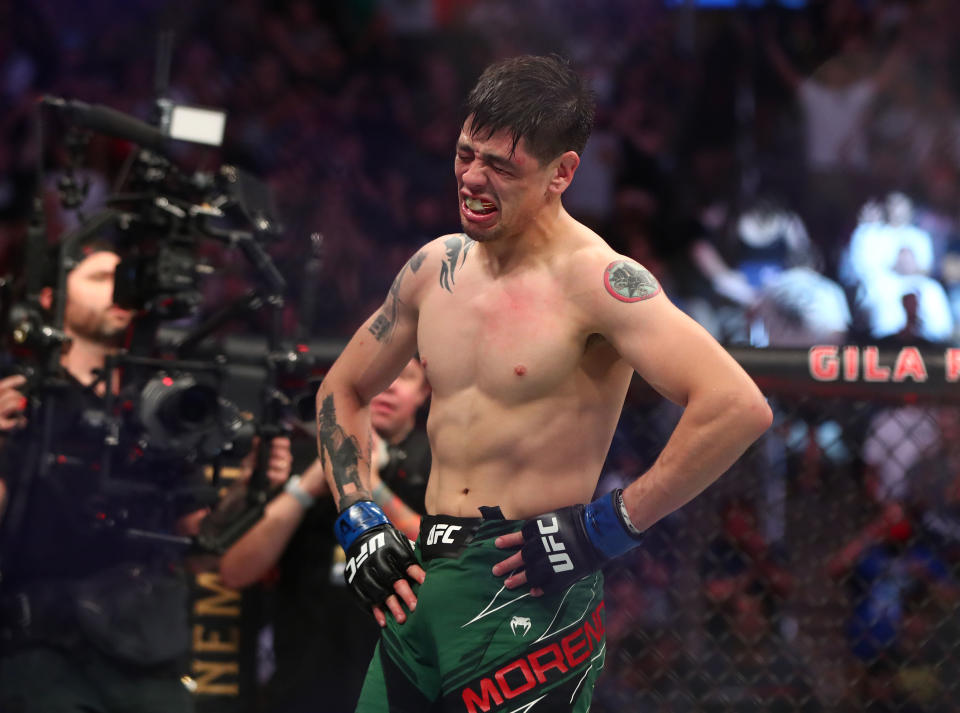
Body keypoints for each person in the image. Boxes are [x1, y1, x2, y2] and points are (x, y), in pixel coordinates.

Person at [314, 54, 772, 712]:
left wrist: (606, 527)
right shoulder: (432, 268)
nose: (472, 178)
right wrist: (360, 519)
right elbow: (342, 389)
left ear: (562, 172)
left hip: (530, 593)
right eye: (465, 153)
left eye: (501, 166)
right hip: (421, 580)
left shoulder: (600, 281)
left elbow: (737, 406)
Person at [0, 238, 290, 713]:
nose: (118, 290)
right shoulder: (21, 398)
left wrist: (251, 486)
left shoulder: (160, 404)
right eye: (98, 278)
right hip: (43, 656)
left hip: (149, 653)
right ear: (50, 298)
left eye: (124, 278)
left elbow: (200, 551)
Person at [219, 357, 430, 713]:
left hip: (400, 685)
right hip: (300, 685)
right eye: (380, 372)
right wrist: (305, 489)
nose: (389, 385)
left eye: (404, 377)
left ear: (424, 392)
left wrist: (364, 485)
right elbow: (234, 571)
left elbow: (449, 559)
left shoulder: (438, 460)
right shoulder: (301, 456)